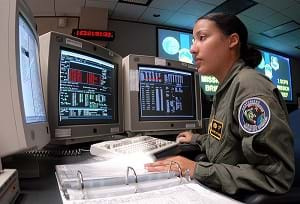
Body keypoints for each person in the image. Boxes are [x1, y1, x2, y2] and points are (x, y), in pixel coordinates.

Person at [145, 13, 295, 196]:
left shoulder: (250, 87)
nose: (192, 49)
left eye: (202, 38)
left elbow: (275, 177)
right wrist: (196, 139)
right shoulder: (227, 87)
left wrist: (197, 169)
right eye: (193, 40)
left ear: (232, 41)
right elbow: (226, 144)